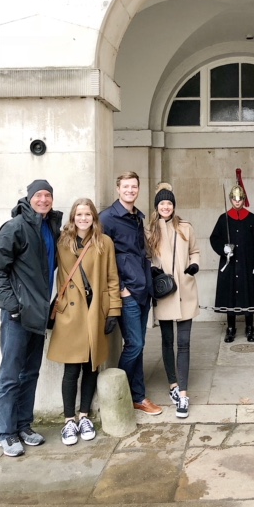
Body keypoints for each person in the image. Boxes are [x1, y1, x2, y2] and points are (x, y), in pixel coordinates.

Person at [47, 199, 121, 445]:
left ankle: (84, 416)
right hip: (71, 313)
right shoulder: (62, 242)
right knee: (71, 370)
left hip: (94, 311)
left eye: (88, 214)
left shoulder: (104, 242)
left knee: (91, 366)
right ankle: (69, 420)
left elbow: (112, 278)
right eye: (79, 214)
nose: (83, 218)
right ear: (73, 217)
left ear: (94, 217)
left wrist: (113, 311)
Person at [0, 180, 62, 457]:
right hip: (17, 315)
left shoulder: (50, 226)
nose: (44, 200)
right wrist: (13, 305)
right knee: (10, 376)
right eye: (39, 195)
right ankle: (5, 432)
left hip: (39, 313)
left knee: (31, 373)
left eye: (48, 195)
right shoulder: (15, 227)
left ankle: (24, 425)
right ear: (29, 198)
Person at [100, 171, 162, 415]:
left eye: (134, 186)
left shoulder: (137, 217)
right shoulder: (107, 218)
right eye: (126, 186)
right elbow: (103, 260)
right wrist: (121, 290)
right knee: (134, 345)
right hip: (127, 294)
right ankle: (116, 395)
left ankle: (138, 397)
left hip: (142, 290)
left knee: (139, 345)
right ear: (118, 188)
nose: (130, 190)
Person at [147, 183, 200, 419]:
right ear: (157, 207)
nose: (166, 207)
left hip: (185, 290)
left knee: (184, 343)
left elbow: (195, 250)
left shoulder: (186, 227)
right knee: (167, 341)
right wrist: (153, 269)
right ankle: (173, 386)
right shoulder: (150, 231)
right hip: (165, 291)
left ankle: (184, 394)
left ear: (174, 205)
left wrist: (193, 265)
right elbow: (147, 256)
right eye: (162, 203)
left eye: (169, 203)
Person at [210, 170, 254, 343]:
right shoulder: (223, 219)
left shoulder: (252, 218)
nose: (237, 202)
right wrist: (223, 248)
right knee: (230, 297)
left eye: (240, 199)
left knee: (248, 295)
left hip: (247, 264)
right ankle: (231, 328)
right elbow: (214, 238)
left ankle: (250, 327)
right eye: (234, 199)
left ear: (243, 199)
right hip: (230, 264)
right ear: (230, 199)